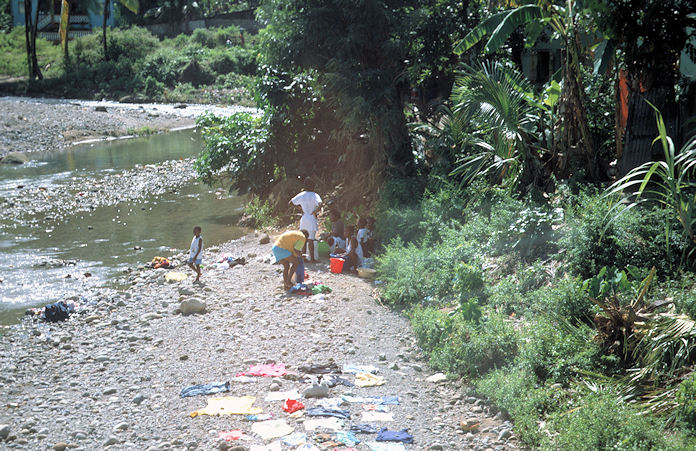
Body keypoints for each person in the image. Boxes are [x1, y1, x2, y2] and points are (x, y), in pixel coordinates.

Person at [290, 191, 322, 263]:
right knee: (311, 240)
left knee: (303, 239)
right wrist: (315, 211)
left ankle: (303, 258)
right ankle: (312, 259)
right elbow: (320, 204)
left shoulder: (301, 194)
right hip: (311, 217)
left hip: (304, 218)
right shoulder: (315, 195)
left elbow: (290, 203)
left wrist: (300, 209)